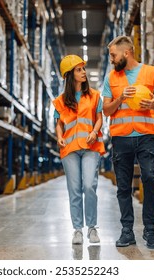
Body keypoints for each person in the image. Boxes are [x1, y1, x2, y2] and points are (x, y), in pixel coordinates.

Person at [102, 36, 154, 249]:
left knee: (150, 179)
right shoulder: (111, 78)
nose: (111, 59)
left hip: (146, 135)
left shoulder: (151, 72)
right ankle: (127, 231)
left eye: (113, 55)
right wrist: (120, 98)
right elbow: (106, 110)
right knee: (123, 187)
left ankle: (150, 231)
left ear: (126, 53)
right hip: (121, 137)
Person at [53, 54, 105, 245]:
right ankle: (77, 230)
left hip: (90, 146)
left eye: (84, 68)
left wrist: (94, 131)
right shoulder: (60, 101)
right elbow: (59, 124)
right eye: (79, 69)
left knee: (89, 186)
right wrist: (59, 136)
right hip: (70, 149)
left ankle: (92, 228)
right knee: (74, 189)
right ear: (69, 74)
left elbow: (99, 118)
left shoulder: (94, 96)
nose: (84, 72)